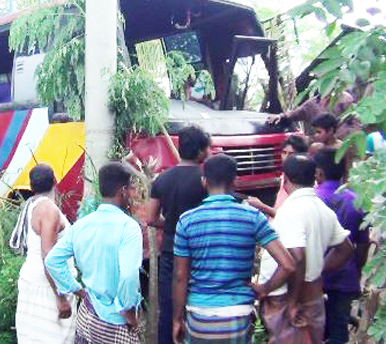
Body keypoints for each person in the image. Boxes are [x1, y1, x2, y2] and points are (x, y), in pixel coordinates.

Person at [172, 154, 296, 344]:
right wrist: (264, 289)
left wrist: (177, 319)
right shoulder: (253, 217)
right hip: (237, 315)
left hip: (199, 315)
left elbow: (181, 276)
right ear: (235, 181)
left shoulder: (186, 220)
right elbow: (288, 265)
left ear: (204, 182)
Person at [259, 155, 354, 344]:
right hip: (312, 292)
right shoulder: (323, 209)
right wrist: (317, 270)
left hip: (287, 296)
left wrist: (291, 301)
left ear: (284, 179)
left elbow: (297, 258)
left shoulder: (290, 210)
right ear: (315, 177)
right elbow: (346, 249)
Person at [45, 162, 142, 344]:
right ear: (122, 190)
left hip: (87, 316)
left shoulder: (82, 224)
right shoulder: (129, 228)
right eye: (130, 188)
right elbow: (129, 276)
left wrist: (77, 289)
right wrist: (128, 313)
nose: (131, 193)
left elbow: (52, 261)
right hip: (116, 323)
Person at [145, 125, 209, 344]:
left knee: (169, 307)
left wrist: (173, 223)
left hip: (171, 251)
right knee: (199, 306)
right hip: (202, 253)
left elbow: (151, 218)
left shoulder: (162, 179)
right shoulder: (207, 180)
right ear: (201, 150)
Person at [14, 164, 77, 343]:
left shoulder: (32, 206)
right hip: (48, 289)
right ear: (55, 182)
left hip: (34, 281)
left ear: (31, 186)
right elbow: (49, 258)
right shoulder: (48, 211)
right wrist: (60, 298)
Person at [314, 148, 370, 344]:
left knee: (315, 330)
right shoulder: (356, 200)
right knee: (339, 330)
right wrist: (359, 270)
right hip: (345, 275)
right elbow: (363, 243)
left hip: (314, 277)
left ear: (318, 172)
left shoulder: (312, 199)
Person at [247, 135, 308, 216]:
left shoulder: (301, 180)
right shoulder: (283, 176)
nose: (286, 157)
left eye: (291, 153)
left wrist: (262, 206)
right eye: (284, 153)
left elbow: (289, 218)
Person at [267, 92, 357, 140]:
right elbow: (294, 114)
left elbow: (356, 121)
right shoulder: (312, 104)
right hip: (320, 149)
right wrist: (281, 116)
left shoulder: (345, 99)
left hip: (342, 145)